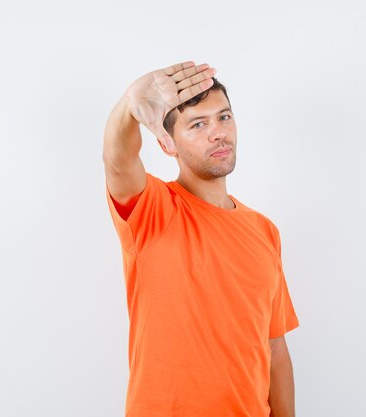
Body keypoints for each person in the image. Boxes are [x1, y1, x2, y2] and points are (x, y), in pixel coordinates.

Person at [102, 60, 300, 417]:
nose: (218, 133)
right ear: (167, 144)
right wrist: (128, 107)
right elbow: (118, 161)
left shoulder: (264, 230)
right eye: (198, 124)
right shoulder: (153, 210)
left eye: (224, 117)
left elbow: (274, 347)